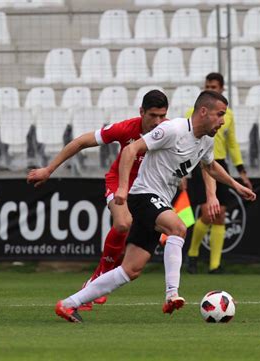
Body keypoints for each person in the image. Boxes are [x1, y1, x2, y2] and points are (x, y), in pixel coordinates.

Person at [54, 90, 257, 323]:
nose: (223, 121)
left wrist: (234, 185)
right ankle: (172, 294)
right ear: (203, 112)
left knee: (131, 270)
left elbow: (210, 167)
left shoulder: (206, 141)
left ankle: (69, 304)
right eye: (220, 114)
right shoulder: (173, 129)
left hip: (158, 200)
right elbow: (131, 150)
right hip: (143, 195)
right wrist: (122, 188)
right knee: (179, 228)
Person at [27, 90, 169, 310]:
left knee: (138, 257)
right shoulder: (126, 128)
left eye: (162, 116)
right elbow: (81, 142)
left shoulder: (169, 130)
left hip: (149, 190)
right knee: (123, 224)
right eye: (153, 115)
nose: (158, 122)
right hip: (119, 183)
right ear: (141, 112)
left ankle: (102, 281)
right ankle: (99, 276)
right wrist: (49, 169)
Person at [186, 72, 253, 274]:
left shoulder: (227, 115)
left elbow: (232, 144)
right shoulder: (194, 112)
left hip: (220, 164)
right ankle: (193, 253)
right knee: (208, 212)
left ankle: (214, 265)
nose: (210, 89)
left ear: (222, 89)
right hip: (200, 164)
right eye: (208, 86)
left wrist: (241, 171)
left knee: (221, 215)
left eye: (214, 87)